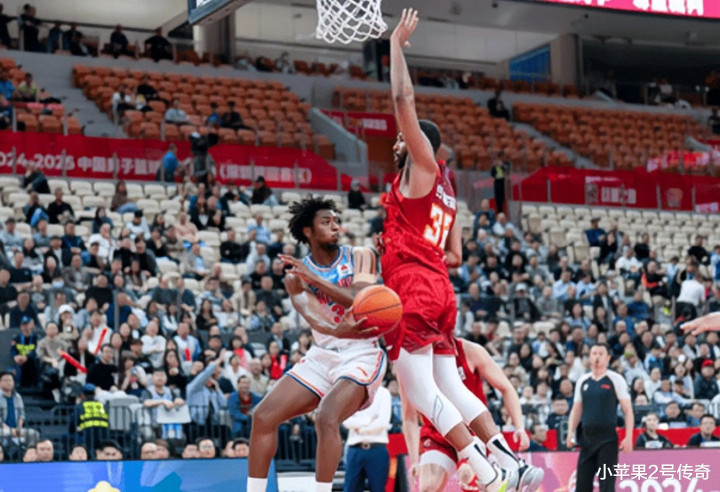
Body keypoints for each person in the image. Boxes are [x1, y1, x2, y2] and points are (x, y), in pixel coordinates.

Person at [379, 10, 511, 491]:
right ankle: (506, 460)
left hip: (415, 287)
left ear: (421, 145)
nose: (399, 140)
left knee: (420, 391)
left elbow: (402, 99)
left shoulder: (423, 169)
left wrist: (395, 45)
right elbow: (454, 254)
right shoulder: (446, 194)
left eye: (406, 137)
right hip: (439, 284)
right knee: (450, 384)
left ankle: (485, 467)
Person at [247, 196, 386, 492]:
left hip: (362, 353)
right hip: (323, 353)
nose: (335, 226)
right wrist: (337, 328)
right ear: (308, 231)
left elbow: (358, 298)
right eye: (326, 222)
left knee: (326, 416)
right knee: (263, 416)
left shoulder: (362, 255)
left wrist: (314, 278)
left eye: (336, 221)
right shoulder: (295, 276)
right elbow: (314, 318)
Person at [402, 338, 542, 492]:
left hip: (473, 431)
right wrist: (414, 460)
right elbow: (409, 418)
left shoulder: (469, 350)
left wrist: (519, 426)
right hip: (438, 435)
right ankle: (510, 469)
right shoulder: (408, 361)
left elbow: (506, 387)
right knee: (428, 488)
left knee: (468, 473)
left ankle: (506, 471)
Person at [566, 343, 634, 492]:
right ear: (590, 357)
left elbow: (628, 410)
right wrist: (570, 432)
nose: (597, 357)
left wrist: (629, 437)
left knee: (607, 486)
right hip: (586, 440)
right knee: (582, 486)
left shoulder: (615, 379)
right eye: (594, 353)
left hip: (607, 440)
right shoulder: (583, 381)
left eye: (600, 353)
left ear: (607, 358)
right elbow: (576, 410)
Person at [342, 384, 392, 492]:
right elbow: (346, 420)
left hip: (376, 449)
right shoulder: (351, 393)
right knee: (350, 488)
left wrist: (360, 429)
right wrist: (369, 421)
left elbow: (382, 423)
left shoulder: (383, 393)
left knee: (378, 489)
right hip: (355, 448)